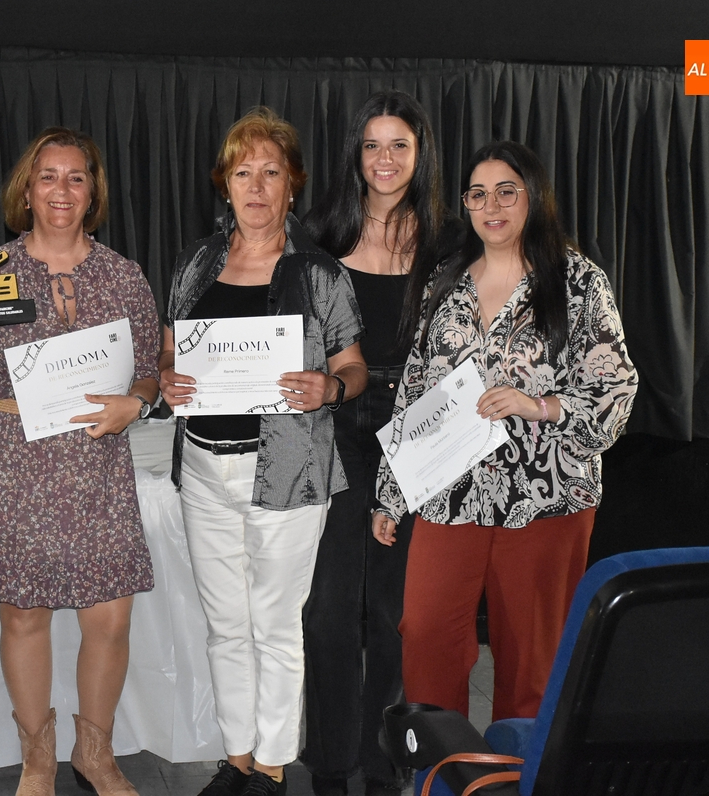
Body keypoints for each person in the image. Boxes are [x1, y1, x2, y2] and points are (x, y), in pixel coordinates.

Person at [374, 140, 638, 725]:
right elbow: (416, 388)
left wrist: (537, 405)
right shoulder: (445, 283)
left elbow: (616, 389)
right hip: (449, 492)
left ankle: (518, 769)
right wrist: (391, 493)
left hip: (547, 497)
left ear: (533, 197)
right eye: (477, 194)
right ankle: (440, 767)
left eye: (506, 191)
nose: (490, 206)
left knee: (531, 662)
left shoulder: (577, 282)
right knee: (426, 634)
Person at [0, 127, 159, 796]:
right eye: (48, 176)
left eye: (75, 177)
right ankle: (37, 759)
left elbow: (149, 373)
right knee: (23, 617)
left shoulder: (123, 275)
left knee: (110, 620)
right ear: (27, 190)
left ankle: (96, 755)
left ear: (92, 192)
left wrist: (136, 405)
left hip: (98, 464)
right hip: (15, 464)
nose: (61, 190)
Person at [159, 107, 367, 796]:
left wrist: (329, 387)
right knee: (224, 626)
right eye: (242, 172)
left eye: (270, 173)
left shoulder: (320, 273)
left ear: (292, 185)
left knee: (276, 626)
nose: (255, 187)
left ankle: (274, 766)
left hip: (286, 471)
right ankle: (238, 758)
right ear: (225, 184)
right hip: (203, 468)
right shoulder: (196, 262)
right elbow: (169, 353)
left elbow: (354, 367)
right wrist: (167, 376)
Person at [299, 90, 458, 796]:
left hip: (420, 429)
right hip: (334, 422)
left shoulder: (451, 243)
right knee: (330, 610)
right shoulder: (320, 235)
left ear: (421, 154)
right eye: (371, 145)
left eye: (399, 145)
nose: (384, 159)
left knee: (398, 616)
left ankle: (383, 762)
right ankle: (332, 766)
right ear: (355, 155)